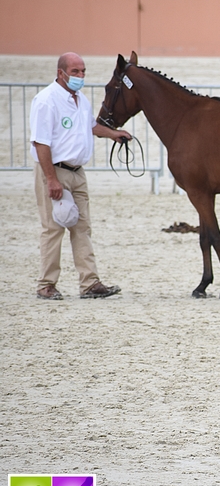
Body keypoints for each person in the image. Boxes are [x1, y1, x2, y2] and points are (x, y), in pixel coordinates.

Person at [30, 52, 131, 300]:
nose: (80, 76)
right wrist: (51, 179)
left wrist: (113, 134)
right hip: (54, 171)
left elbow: (91, 127)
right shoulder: (46, 101)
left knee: (82, 228)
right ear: (61, 73)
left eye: (83, 71)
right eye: (75, 72)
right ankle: (46, 284)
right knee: (53, 228)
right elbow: (41, 143)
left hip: (77, 173)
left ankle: (90, 283)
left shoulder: (81, 100)